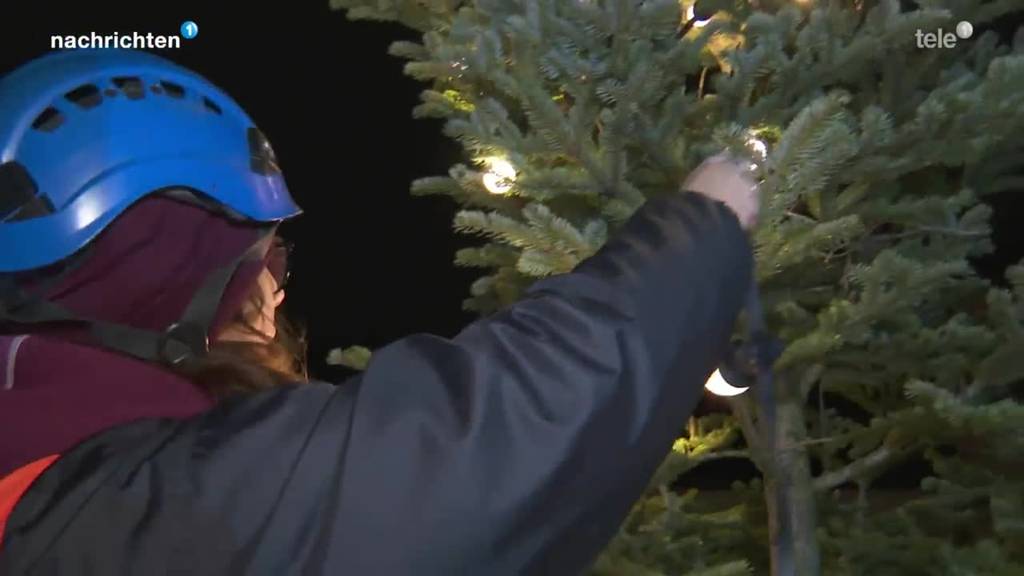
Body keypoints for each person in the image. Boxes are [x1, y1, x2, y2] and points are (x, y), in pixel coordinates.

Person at [0, 48, 759, 575]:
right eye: (263, 264)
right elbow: (471, 449)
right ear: (157, 286)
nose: (278, 290)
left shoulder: (55, 436)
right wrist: (700, 231)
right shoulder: (95, 508)